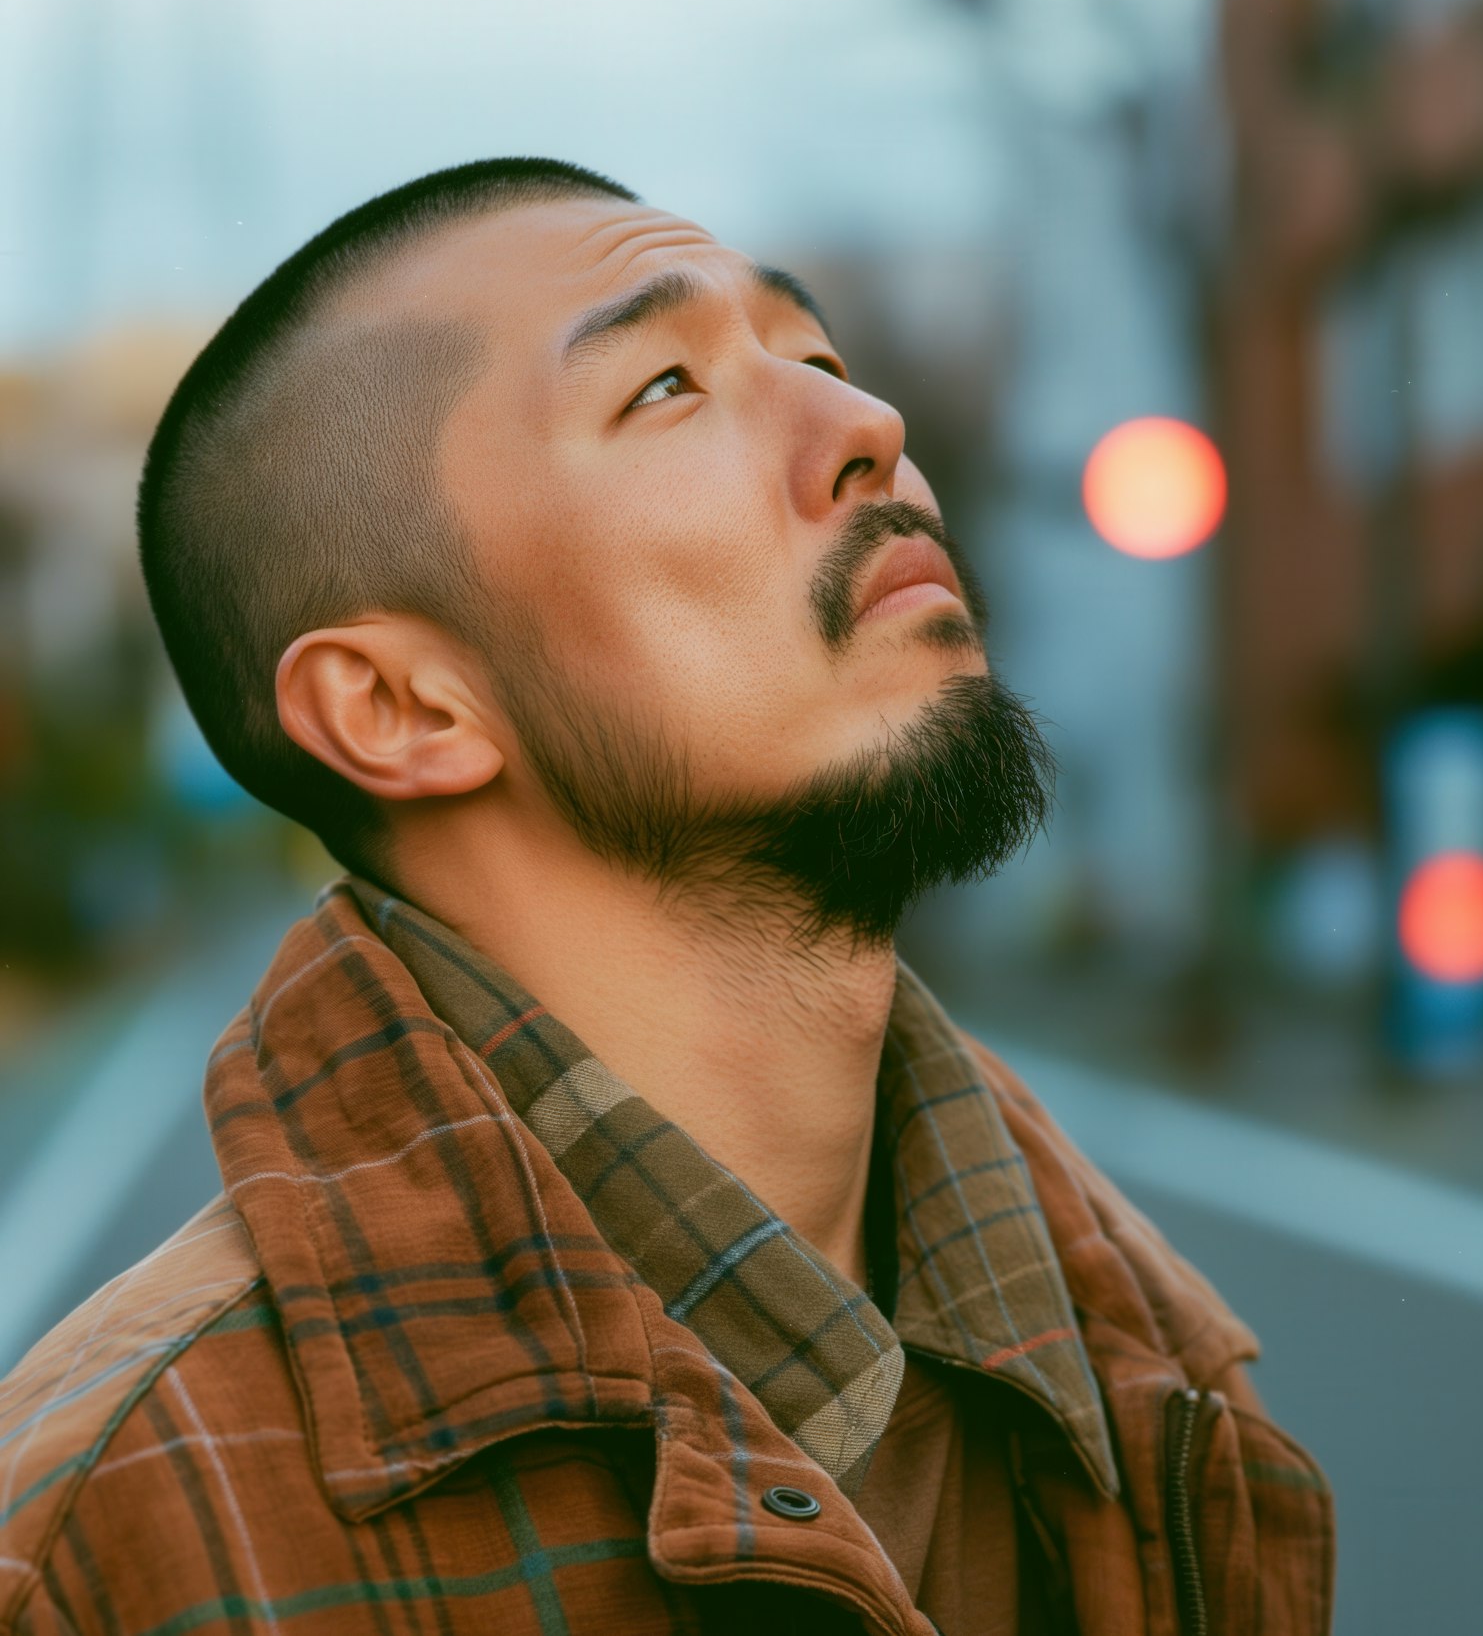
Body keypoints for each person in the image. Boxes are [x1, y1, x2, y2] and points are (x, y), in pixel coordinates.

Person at [0, 158, 1333, 1635]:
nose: (867, 425)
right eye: (667, 391)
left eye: (817, 354)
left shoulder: (1158, 1369)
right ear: (397, 706)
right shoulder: (112, 1548)